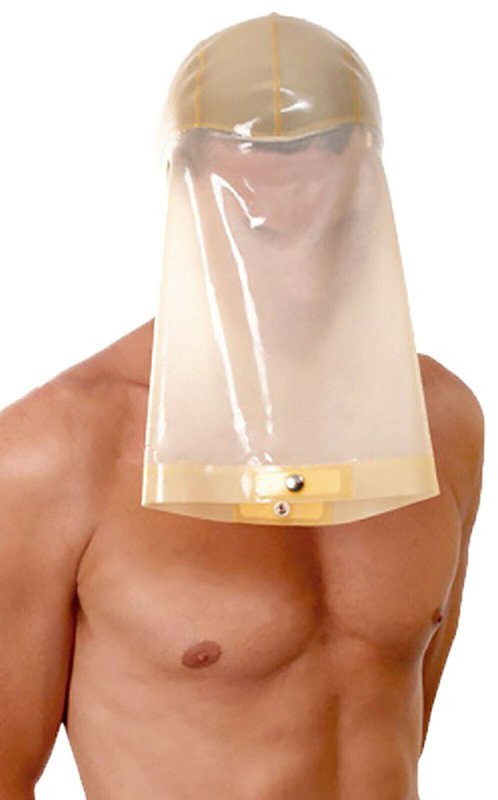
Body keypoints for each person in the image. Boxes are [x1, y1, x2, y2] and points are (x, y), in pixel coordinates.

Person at [0, 13, 484, 800]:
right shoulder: (58, 450)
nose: (296, 259)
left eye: (325, 217)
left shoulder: (440, 422)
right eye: (255, 225)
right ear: (187, 192)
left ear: (369, 190)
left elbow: (402, 722)